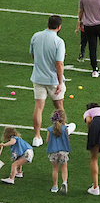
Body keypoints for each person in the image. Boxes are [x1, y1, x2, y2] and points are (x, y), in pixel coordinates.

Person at [30, 15, 66, 147]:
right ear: (59, 27)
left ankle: (37, 137)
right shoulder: (59, 42)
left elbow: (33, 55)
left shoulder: (36, 36)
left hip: (38, 77)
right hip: (53, 80)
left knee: (38, 107)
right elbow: (59, 64)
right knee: (59, 107)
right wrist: (60, 82)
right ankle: (62, 131)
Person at [46, 109, 76, 194]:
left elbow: (47, 141)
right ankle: (64, 182)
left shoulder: (50, 129)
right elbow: (67, 139)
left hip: (53, 151)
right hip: (63, 151)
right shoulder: (65, 129)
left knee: (55, 169)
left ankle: (55, 186)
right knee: (64, 168)